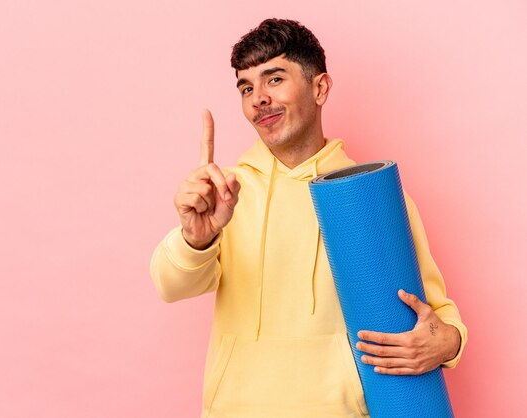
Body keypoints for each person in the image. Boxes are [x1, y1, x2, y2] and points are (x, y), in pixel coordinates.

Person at [150, 18, 467, 418]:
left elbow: (437, 314)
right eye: (246, 87)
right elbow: (169, 286)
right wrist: (195, 237)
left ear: (320, 88)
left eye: (274, 79)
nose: (257, 99)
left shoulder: (369, 197)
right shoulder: (224, 194)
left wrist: (450, 343)